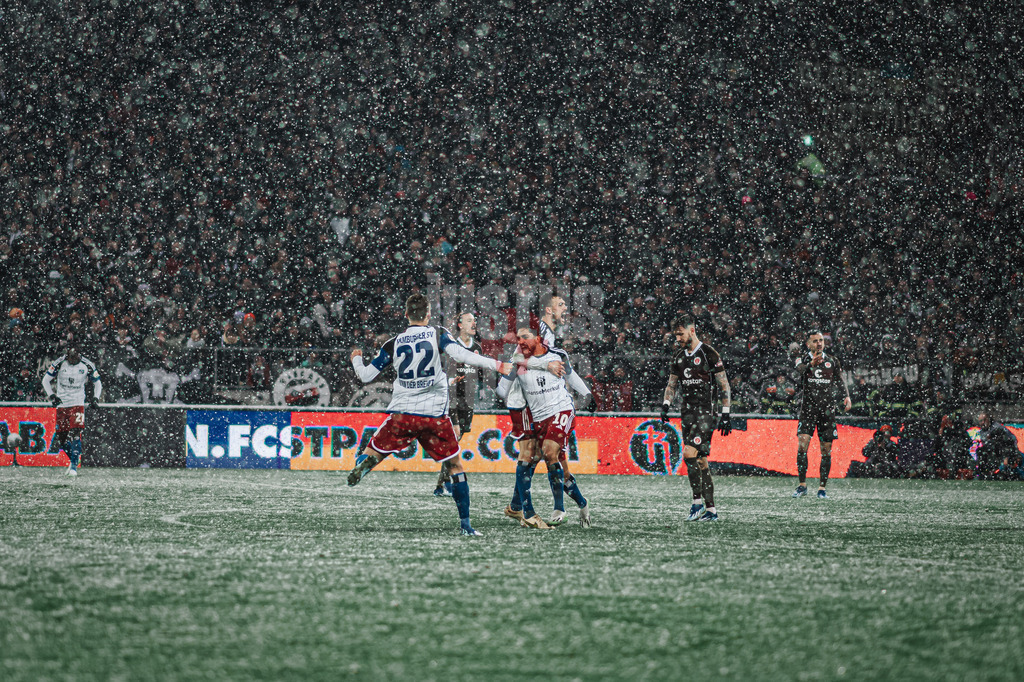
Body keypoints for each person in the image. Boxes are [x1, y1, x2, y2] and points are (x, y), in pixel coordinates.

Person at [346, 294, 511, 536]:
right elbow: (462, 355)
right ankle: (466, 525)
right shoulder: (437, 333)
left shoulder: (394, 342)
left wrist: (356, 359)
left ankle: (364, 463)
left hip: (403, 414)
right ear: (429, 314)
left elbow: (366, 376)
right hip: (434, 415)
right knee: (455, 466)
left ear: (406, 315)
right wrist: (497, 364)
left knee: (373, 452)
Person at [499, 328, 585, 529]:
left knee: (538, 455)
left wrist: (586, 393)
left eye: (525, 337)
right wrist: (546, 365)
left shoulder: (553, 353)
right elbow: (511, 373)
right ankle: (528, 512)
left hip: (544, 410)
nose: (521, 341)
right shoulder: (519, 355)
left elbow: (568, 373)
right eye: (519, 338)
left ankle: (517, 506)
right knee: (530, 454)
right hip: (524, 407)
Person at [659, 314, 732, 522]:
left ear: (692, 330)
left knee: (689, 453)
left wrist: (726, 413)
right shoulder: (678, 356)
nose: (678, 339)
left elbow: (724, 384)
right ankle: (711, 510)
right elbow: (671, 384)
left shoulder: (709, 353)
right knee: (700, 461)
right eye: (675, 335)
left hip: (706, 412)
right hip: (687, 413)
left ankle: (696, 503)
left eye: (680, 334)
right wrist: (666, 405)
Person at [536, 293, 596, 524]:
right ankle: (582, 503)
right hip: (539, 408)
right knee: (559, 466)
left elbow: (567, 371)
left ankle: (557, 509)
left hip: (560, 407)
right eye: (560, 305)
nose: (564, 309)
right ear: (548, 310)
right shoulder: (539, 331)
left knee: (548, 453)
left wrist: (587, 394)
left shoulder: (554, 346)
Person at [792, 330, 852, 499]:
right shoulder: (802, 358)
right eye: (815, 341)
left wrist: (846, 396)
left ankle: (822, 488)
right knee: (802, 446)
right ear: (808, 344)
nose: (819, 343)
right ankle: (802, 485)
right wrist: (810, 364)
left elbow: (840, 379)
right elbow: (799, 370)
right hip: (808, 410)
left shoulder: (832, 361)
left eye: (821, 340)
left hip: (827, 410)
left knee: (826, 450)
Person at [432, 312, 482, 497]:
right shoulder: (452, 347)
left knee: (455, 441)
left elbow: (479, 372)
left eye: (474, 321)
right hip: (452, 398)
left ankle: (442, 484)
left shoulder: (477, 347)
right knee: (455, 437)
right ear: (460, 325)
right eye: (469, 321)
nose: (474, 323)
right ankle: (445, 483)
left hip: (468, 401)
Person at [41, 346, 102, 477]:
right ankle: (73, 459)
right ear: (67, 356)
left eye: (75, 358)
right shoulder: (59, 363)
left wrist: (95, 398)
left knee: (76, 433)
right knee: (61, 439)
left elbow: (98, 383)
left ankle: (74, 466)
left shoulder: (87, 365)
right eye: (70, 358)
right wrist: (52, 396)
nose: (72, 360)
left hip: (77, 403)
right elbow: (45, 380)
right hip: (62, 404)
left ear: (79, 356)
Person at [974, 412, 1024, 481]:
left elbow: (1011, 441)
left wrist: (1008, 455)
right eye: (980, 421)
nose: (982, 423)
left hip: (1004, 452)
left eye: (983, 420)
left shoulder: (997, 428)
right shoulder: (983, 431)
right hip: (995, 454)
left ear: (988, 419)